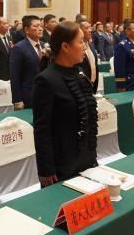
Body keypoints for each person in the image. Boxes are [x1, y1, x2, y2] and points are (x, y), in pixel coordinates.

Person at [32, 22, 98, 185]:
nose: (85, 46)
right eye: (81, 41)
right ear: (65, 47)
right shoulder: (46, 80)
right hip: (62, 164)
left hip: (85, 158)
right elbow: (42, 129)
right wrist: (46, 169)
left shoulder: (79, 73)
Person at [9, 15, 45, 109]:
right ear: (27, 29)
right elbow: (15, 76)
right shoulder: (19, 48)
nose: (40, 29)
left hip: (45, 93)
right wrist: (17, 100)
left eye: (41, 26)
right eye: (36, 26)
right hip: (29, 95)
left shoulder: (44, 45)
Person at [114, 20, 134, 91]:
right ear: (127, 31)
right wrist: (121, 86)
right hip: (128, 84)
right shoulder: (122, 46)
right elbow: (119, 69)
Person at [78, 20, 99, 94]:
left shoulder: (91, 44)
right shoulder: (77, 47)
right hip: (82, 85)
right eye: (87, 28)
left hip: (93, 83)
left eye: (90, 27)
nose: (90, 30)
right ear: (79, 30)